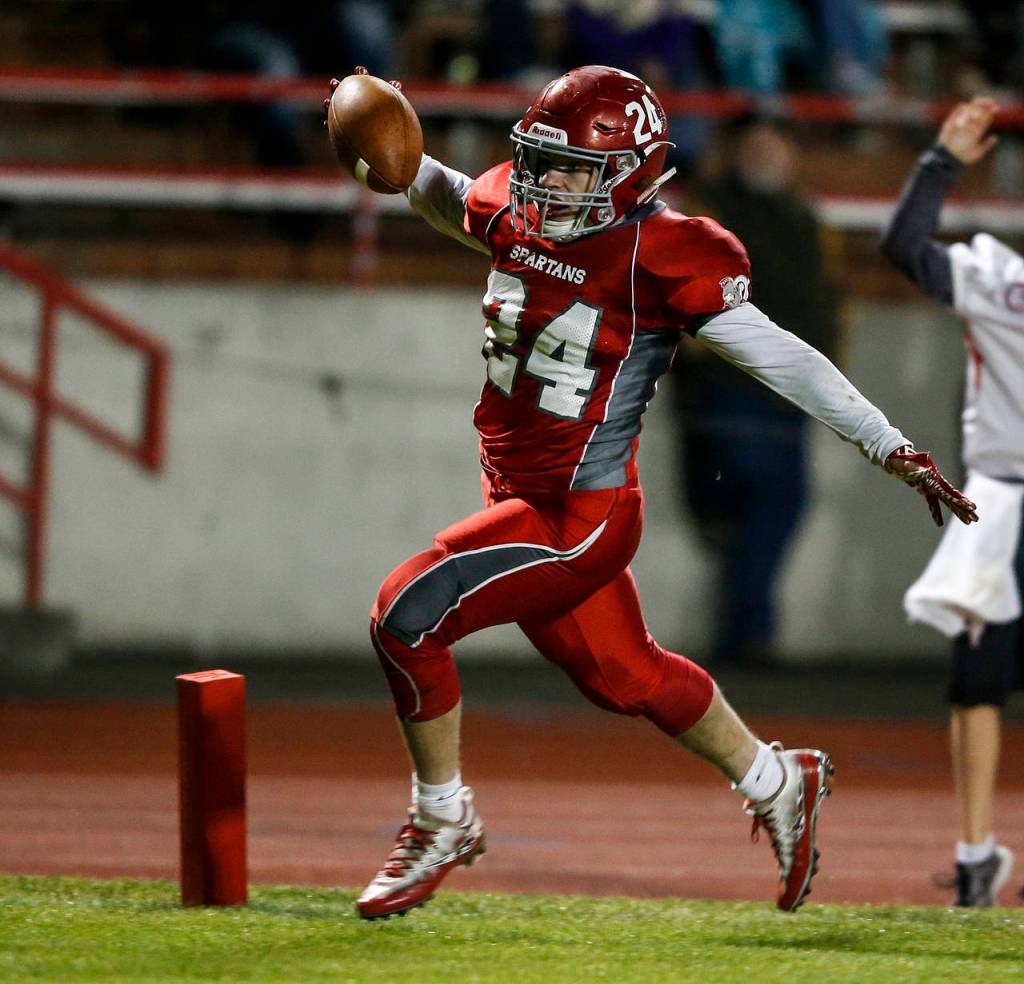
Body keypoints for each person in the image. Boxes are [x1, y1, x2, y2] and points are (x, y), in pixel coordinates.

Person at [332, 65, 978, 921]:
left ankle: (441, 817)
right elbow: (453, 197)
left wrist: (886, 443)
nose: (542, 182)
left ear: (631, 172)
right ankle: (778, 778)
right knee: (625, 677)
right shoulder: (519, 208)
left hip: (579, 516)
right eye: (538, 160)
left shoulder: (664, 251)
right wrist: (391, 158)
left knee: (405, 612)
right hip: (519, 494)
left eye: (569, 168)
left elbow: (784, 355)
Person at [881, 96, 1022, 907]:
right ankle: (976, 855)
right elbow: (902, 246)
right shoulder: (997, 276)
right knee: (976, 683)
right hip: (1003, 505)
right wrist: (940, 162)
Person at [673, 116, 839, 666]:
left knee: (775, 505)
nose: (767, 155)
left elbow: (830, 299)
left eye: (777, 143)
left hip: (789, 393)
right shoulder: (712, 212)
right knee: (757, 497)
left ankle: (746, 624)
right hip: (728, 389)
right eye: (757, 144)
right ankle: (749, 626)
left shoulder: (806, 220)